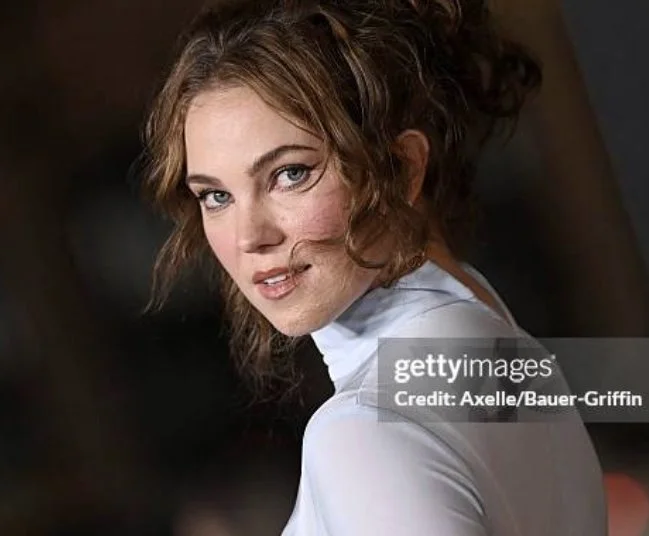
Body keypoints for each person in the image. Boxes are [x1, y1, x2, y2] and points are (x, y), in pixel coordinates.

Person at [142, 0, 607, 534]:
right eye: (216, 196)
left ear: (403, 167)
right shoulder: (499, 345)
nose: (249, 237)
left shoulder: (364, 428)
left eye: (290, 174)